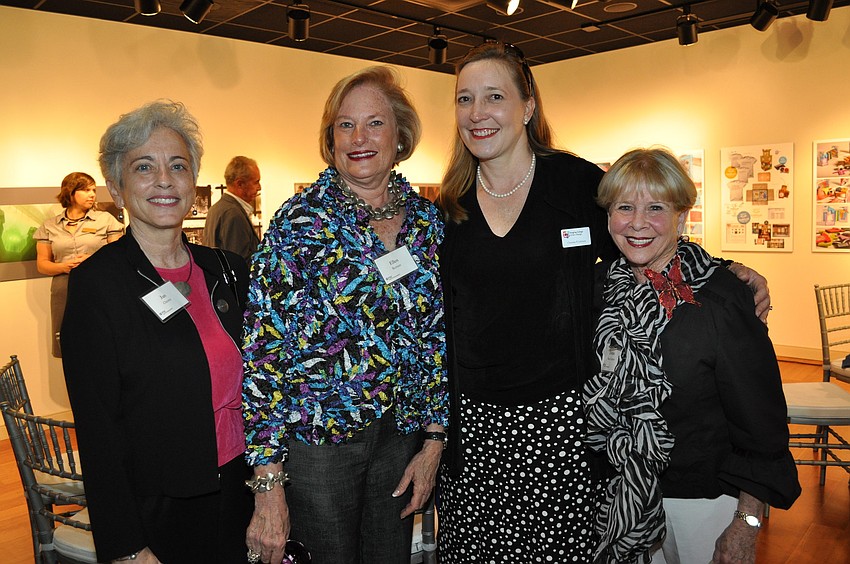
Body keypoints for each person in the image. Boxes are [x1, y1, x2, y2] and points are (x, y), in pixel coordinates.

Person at [436, 42, 772, 562]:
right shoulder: (449, 203)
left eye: (494, 96)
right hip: (476, 429)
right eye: (464, 99)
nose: (477, 113)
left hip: (563, 426)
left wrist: (725, 270)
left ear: (527, 107)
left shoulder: (574, 184)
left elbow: (643, 230)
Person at [242, 66, 448, 564]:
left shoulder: (428, 221)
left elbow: (440, 335)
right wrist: (267, 481)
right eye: (345, 125)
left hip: (402, 436)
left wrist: (435, 438)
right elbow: (262, 352)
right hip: (321, 448)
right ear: (330, 138)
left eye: (374, 123)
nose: (359, 138)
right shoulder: (300, 221)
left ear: (400, 135)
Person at [584, 147, 800, 564]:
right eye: (624, 207)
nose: (638, 223)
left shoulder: (723, 298)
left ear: (682, 217)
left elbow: (762, 424)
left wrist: (747, 523)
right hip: (614, 496)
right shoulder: (594, 291)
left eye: (656, 207)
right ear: (608, 216)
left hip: (703, 504)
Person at [61, 100, 253, 563]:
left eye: (178, 166)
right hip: (158, 510)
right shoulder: (97, 284)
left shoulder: (228, 270)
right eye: (144, 167)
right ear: (117, 188)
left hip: (243, 491)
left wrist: (270, 491)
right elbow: (98, 430)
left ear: (193, 182)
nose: (164, 180)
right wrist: (127, 546)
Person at [34, 172, 123, 356]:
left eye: (93, 189)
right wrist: (64, 267)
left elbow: (118, 256)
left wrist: (91, 261)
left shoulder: (105, 220)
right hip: (63, 289)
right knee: (69, 344)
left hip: (99, 286)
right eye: (85, 190)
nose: (92, 194)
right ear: (70, 192)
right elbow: (42, 264)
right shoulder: (49, 226)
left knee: (102, 341)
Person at [202, 155, 262, 261]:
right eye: (256, 182)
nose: (259, 187)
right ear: (239, 184)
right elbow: (239, 264)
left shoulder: (216, 209)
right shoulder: (233, 214)